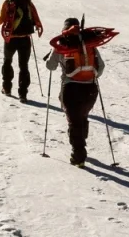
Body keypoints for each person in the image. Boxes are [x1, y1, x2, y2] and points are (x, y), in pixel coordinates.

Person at [45, 17, 105, 167]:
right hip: (90, 88)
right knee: (82, 116)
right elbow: (101, 67)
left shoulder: (63, 44)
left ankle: (79, 155)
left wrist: (53, 56)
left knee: (74, 121)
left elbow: (51, 66)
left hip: (71, 88)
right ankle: (81, 143)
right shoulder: (90, 44)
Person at [0, 0, 43, 103]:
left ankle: (7, 88)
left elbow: (1, 19)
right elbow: (35, 16)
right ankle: (23, 94)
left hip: (11, 39)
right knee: (24, 66)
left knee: (7, 62)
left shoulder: (7, 3)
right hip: (25, 39)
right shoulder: (27, 2)